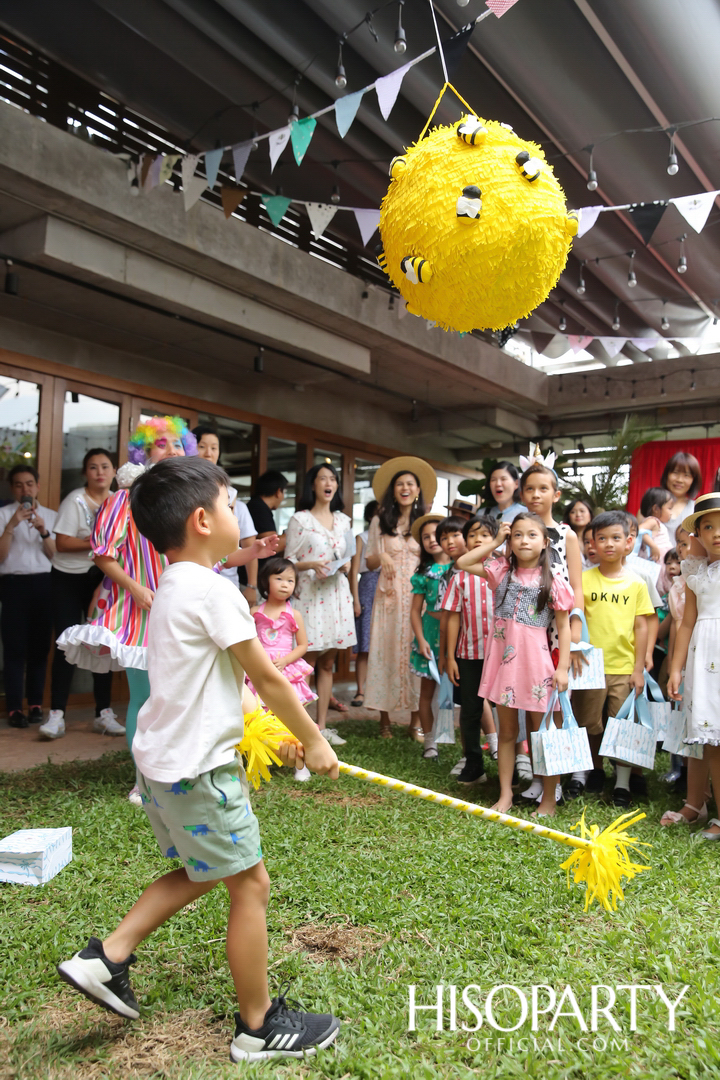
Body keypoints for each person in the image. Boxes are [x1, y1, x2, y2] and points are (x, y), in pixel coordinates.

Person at [56, 457, 341, 1062]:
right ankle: (257, 1028)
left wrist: (270, 735)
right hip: (200, 770)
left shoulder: (173, 585)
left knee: (202, 870)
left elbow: (225, 683)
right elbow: (268, 677)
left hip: (163, 766)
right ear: (203, 520)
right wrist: (314, 738)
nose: (240, 514)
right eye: (231, 503)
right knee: (251, 883)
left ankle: (107, 957)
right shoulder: (215, 592)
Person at [57, 417, 271, 803]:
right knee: (147, 697)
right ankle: (144, 780)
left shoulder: (190, 501)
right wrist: (136, 588)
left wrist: (252, 551)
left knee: (190, 694)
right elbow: (103, 554)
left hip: (187, 608)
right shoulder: (125, 499)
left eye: (177, 444)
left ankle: (190, 768)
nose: (171, 450)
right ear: (142, 453)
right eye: (160, 444)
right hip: (139, 614)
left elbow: (218, 557)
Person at [458, 514, 573, 817]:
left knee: (542, 734)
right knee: (506, 733)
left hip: (537, 667)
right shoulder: (500, 571)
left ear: (545, 542)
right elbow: (463, 562)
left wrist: (563, 668)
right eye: (517, 535)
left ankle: (548, 801)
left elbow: (564, 627)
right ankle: (505, 794)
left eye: (532, 535)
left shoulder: (554, 581)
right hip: (503, 665)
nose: (524, 541)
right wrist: (496, 541)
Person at [569, 511, 655, 806]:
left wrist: (638, 668)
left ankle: (622, 783)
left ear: (628, 542)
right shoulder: (583, 580)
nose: (608, 544)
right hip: (589, 666)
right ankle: (588, 771)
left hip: (623, 667)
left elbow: (641, 626)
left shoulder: (636, 583)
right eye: (601, 538)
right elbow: (576, 617)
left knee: (622, 726)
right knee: (588, 722)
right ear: (592, 543)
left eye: (615, 538)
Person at [43, 449, 123, 740]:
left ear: (114, 471)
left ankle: (103, 713)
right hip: (67, 578)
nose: (100, 472)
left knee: (103, 642)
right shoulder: (74, 499)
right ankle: (57, 715)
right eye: (93, 467)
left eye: (105, 466)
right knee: (66, 642)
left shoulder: (119, 501)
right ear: (84, 473)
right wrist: (98, 543)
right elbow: (62, 544)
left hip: (102, 578)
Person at [518, 458, 584, 804]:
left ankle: (554, 780)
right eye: (529, 488)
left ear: (556, 494)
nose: (536, 494)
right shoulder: (517, 533)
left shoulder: (567, 535)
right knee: (531, 705)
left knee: (555, 706)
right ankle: (536, 774)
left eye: (543, 488)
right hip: (527, 629)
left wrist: (576, 627)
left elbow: (577, 586)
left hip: (558, 632)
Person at [364, 456, 437, 739]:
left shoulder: (426, 522)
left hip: (420, 598)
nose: (405, 488)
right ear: (393, 491)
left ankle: (415, 722)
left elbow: (435, 557)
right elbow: (369, 561)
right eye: (399, 484)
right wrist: (381, 556)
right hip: (389, 599)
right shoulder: (379, 521)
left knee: (416, 651)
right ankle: (384, 720)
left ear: (418, 490)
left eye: (410, 484)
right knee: (385, 652)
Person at [285, 463, 355, 744]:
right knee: (307, 663)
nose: (328, 483)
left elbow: (349, 556)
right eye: (322, 478)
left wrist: (346, 566)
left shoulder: (344, 521)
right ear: (312, 485)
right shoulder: (300, 520)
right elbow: (288, 562)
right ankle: (302, 729)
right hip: (311, 597)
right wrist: (311, 564)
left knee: (328, 663)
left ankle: (322, 726)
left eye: (332, 479)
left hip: (337, 595)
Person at [668, 494, 720, 840]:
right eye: (709, 527)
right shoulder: (695, 573)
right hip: (704, 662)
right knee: (710, 741)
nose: (717, 533)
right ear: (697, 534)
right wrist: (675, 669)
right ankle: (704, 808)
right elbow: (686, 623)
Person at [247, 556, 315, 783]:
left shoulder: (294, 615)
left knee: (293, 715)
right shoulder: (254, 612)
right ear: (265, 581)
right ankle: (260, 759)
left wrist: (285, 660)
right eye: (279, 579)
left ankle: (300, 763)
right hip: (260, 671)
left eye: (290, 580)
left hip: (286, 671)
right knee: (258, 716)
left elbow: (303, 645)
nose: (285, 584)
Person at [442, 514, 497, 785]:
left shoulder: (504, 572)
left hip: (502, 656)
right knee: (470, 709)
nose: (477, 540)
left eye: (484, 535)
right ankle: (474, 762)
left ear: (496, 540)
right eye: (472, 535)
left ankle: (514, 760)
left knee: (507, 709)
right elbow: (452, 617)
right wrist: (450, 656)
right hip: (469, 654)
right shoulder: (460, 578)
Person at [0, 464, 56, 727]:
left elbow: (56, 556)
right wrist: (11, 525)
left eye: (30, 484)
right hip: (13, 585)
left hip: (45, 584)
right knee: (14, 648)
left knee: (40, 648)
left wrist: (44, 531)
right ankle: (14, 708)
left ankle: (35, 704)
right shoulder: (3, 515)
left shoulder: (52, 516)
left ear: (38, 486)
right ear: (13, 489)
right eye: (19, 484)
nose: (25, 489)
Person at [193, 426, 259, 601]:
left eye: (214, 448)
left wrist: (252, 585)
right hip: (194, 580)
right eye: (202, 446)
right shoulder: (183, 492)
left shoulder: (234, 498)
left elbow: (249, 546)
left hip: (226, 584)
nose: (208, 453)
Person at [409, 514, 452, 761]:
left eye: (437, 534)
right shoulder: (423, 574)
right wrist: (421, 638)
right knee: (427, 693)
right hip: (429, 634)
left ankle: (493, 742)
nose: (432, 540)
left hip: (455, 636)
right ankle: (429, 742)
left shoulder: (462, 566)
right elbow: (415, 611)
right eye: (425, 537)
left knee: (469, 691)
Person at [349, 500, 379, 709]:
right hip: (367, 586)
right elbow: (353, 571)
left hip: (388, 586)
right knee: (364, 646)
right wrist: (355, 600)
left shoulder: (391, 538)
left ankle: (378, 692)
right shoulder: (362, 537)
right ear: (369, 517)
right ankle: (360, 690)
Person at [660, 451, 702, 544]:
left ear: (693, 480)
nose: (679, 480)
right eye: (675, 473)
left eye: (686, 475)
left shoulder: (697, 509)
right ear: (666, 475)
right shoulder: (650, 507)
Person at [248, 471, 288, 554]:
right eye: (284, 492)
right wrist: (298, 533)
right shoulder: (258, 508)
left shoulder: (257, 506)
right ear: (278, 492)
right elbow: (273, 544)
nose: (283, 497)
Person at [638, 487, 675, 561]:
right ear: (656, 509)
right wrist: (653, 546)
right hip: (656, 561)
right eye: (669, 508)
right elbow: (639, 530)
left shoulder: (657, 523)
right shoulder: (653, 521)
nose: (671, 513)